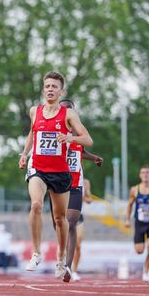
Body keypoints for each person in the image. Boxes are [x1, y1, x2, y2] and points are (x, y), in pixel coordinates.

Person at [19, 71, 93, 280]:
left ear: (61, 91)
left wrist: (70, 137)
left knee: (60, 220)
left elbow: (88, 140)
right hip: (38, 169)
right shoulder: (35, 111)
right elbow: (32, 134)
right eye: (47, 86)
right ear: (43, 89)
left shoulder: (68, 115)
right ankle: (36, 253)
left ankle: (61, 257)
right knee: (35, 205)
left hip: (60, 172)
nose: (50, 89)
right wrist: (25, 154)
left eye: (54, 86)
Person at [57, 99, 102, 282]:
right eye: (65, 110)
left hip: (76, 184)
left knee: (72, 221)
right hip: (59, 184)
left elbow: (81, 151)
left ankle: (67, 266)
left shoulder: (79, 133)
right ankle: (61, 256)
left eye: (71, 110)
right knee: (62, 223)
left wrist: (95, 158)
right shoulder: (55, 132)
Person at [125, 165, 149, 281]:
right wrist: (127, 220)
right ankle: (146, 267)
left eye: (147, 172)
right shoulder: (135, 190)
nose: (145, 174)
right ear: (140, 175)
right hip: (139, 222)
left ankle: (146, 271)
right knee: (140, 250)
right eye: (143, 172)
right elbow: (129, 205)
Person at [71, 178, 94, 281]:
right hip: (66, 214)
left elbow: (88, 198)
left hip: (79, 215)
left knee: (78, 245)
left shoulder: (85, 182)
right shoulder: (66, 175)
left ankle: (74, 271)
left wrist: (85, 198)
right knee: (65, 243)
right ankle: (62, 265)